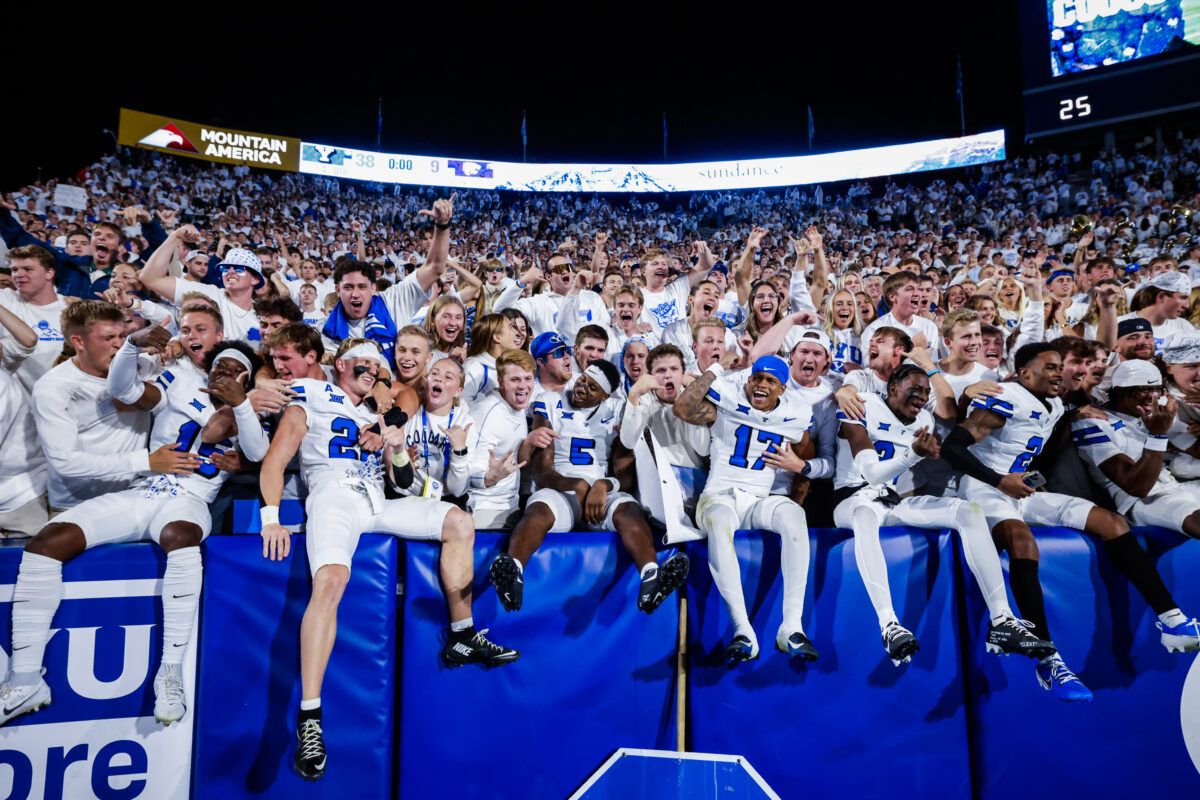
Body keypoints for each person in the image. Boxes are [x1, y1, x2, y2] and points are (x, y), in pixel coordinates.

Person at [258, 338, 517, 781]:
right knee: (331, 581)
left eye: (377, 364)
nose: (372, 368)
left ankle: (462, 634)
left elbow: (400, 477)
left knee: (459, 522)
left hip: (377, 498)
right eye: (362, 361)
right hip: (334, 494)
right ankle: (310, 717)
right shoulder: (312, 395)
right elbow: (275, 460)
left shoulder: (379, 413)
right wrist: (271, 518)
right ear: (339, 364)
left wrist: (394, 443)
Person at [0, 324, 268, 727]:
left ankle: (170, 674)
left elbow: (258, 452)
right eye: (220, 366)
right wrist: (130, 345)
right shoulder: (180, 386)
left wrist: (241, 404)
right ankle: (24, 679)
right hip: (144, 490)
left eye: (235, 370)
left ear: (247, 378)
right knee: (47, 541)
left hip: (190, 499)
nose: (225, 373)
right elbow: (122, 388)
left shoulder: (251, 412)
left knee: (181, 536)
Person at [942, 343, 1197, 702]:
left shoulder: (1056, 405)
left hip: (1018, 488)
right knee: (1021, 539)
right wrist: (999, 481)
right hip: (982, 488)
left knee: (1111, 523)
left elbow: (1038, 452)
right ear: (1024, 373)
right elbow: (953, 448)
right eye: (1049, 367)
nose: (1058, 373)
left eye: (1059, 366)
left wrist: (1068, 420)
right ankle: (1048, 660)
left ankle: (1171, 619)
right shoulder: (1007, 397)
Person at [832, 364, 1053, 665]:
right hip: (853, 498)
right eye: (915, 388)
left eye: (926, 391)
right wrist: (913, 454)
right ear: (893, 387)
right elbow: (871, 473)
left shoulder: (924, 419)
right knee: (864, 517)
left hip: (891, 501)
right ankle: (889, 624)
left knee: (968, 510)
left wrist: (927, 450)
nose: (922, 396)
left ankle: (1002, 619)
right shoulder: (864, 404)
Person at [490, 358, 689, 613]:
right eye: (583, 379)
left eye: (592, 387)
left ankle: (651, 577)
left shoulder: (617, 410)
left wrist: (604, 484)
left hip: (599, 492)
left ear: (605, 396)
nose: (582, 387)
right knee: (538, 510)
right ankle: (512, 572)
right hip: (560, 487)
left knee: (629, 511)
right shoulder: (550, 401)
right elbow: (541, 471)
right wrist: (577, 484)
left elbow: (626, 477)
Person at [673, 352, 817, 663]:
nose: (761, 385)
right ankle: (742, 630)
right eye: (757, 378)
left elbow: (806, 456)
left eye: (770, 381)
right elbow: (683, 407)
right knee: (720, 519)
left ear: (782, 389)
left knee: (794, 515)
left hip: (758, 500)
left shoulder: (795, 414)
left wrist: (800, 474)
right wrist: (716, 368)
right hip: (719, 496)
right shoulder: (729, 399)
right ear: (748, 380)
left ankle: (792, 626)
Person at [466, 349, 554, 529]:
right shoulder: (488, 414)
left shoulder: (517, 404)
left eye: (528, 378)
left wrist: (528, 443)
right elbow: (468, 474)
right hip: (484, 509)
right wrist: (490, 477)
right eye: (515, 380)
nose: (523, 386)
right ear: (501, 382)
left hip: (510, 505)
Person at [140, 225, 266, 341]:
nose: (230, 272)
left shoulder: (264, 316)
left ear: (255, 279)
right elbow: (151, 279)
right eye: (225, 268)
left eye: (239, 268)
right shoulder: (208, 294)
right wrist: (175, 237)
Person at [0, 245, 68, 393]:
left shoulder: (70, 309)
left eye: (28, 269)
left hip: (62, 399)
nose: (18, 274)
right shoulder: (5, 300)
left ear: (49, 273)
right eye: (14, 270)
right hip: (15, 403)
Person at [462, 313, 520, 404]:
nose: (516, 332)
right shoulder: (473, 368)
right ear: (497, 337)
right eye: (510, 327)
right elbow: (461, 405)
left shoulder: (510, 366)